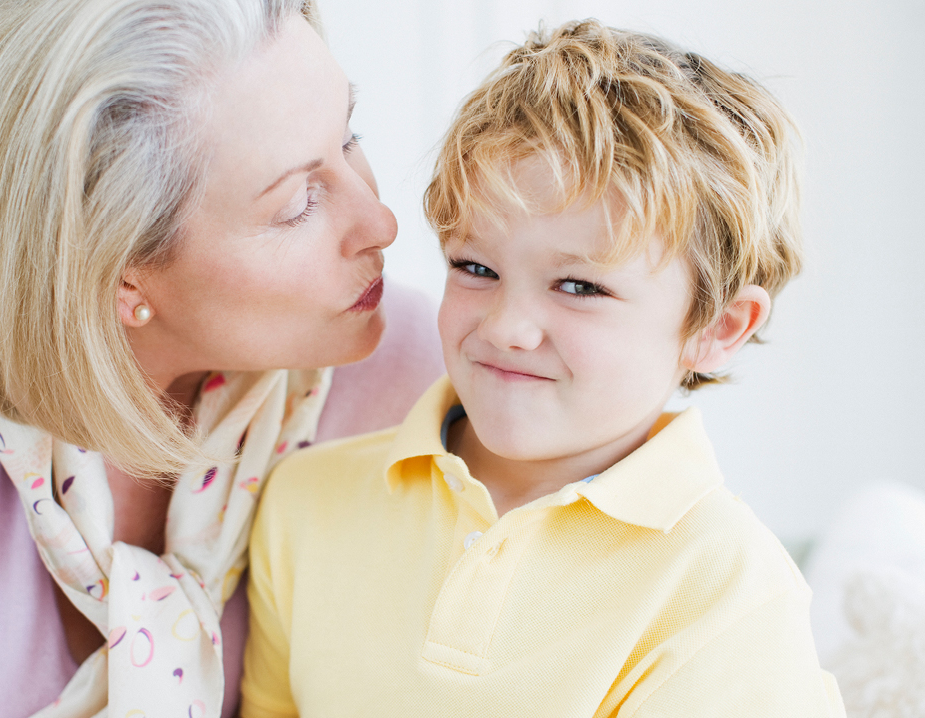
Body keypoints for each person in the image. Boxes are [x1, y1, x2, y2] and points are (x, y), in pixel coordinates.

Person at [0, 1, 444, 717]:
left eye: (350, 138)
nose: (380, 222)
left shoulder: (432, 381)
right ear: (121, 268)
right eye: (297, 203)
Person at [242, 19, 846, 717]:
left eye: (580, 287)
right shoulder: (304, 500)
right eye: (475, 267)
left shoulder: (727, 589)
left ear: (716, 329)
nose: (505, 326)